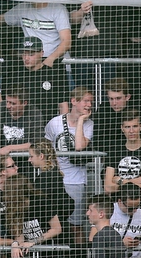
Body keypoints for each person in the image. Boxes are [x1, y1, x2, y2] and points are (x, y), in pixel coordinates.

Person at [44, 87, 94, 243]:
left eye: (91, 101)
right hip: (57, 180)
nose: (89, 105)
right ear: (74, 101)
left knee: (76, 226)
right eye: (86, 101)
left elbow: (79, 146)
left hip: (76, 181)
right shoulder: (55, 122)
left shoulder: (89, 124)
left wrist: (80, 121)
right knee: (53, 225)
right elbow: (46, 147)